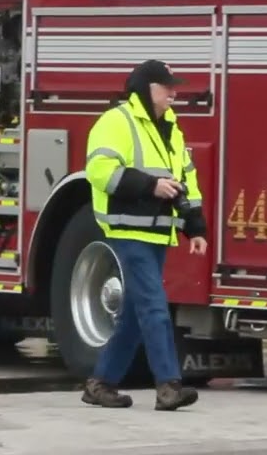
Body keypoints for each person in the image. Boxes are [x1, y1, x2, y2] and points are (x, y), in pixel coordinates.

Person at [80, 59, 208, 411]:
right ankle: (169, 386)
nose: (173, 92)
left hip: (156, 233)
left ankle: (101, 384)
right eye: (167, 86)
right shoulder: (116, 121)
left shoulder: (170, 126)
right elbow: (99, 170)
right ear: (147, 89)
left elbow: (186, 178)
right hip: (127, 229)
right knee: (154, 306)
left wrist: (194, 226)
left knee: (137, 312)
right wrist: (150, 186)